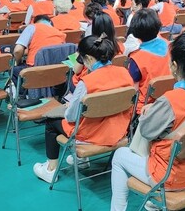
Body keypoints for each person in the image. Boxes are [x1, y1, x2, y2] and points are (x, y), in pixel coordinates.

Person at [110, 32, 185, 211]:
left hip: (171, 176)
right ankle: (153, 204)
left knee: (120, 156)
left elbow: (146, 132)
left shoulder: (171, 100)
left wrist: (149, 113)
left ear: (174, 66)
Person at [33, 34, 134, 183]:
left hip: (93, 135)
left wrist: (69, 107)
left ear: (90, 59)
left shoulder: (86, 83)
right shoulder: (125, 73)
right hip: (118, 130)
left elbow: (71, 117)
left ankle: (50, 169)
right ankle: (82, 161)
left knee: (51, 123)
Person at [126, 9, 171, 114]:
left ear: (135, 32)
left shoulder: (136, 58)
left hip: (145, 107)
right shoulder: (170, 45)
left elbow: (133, 91)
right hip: (168, 98)